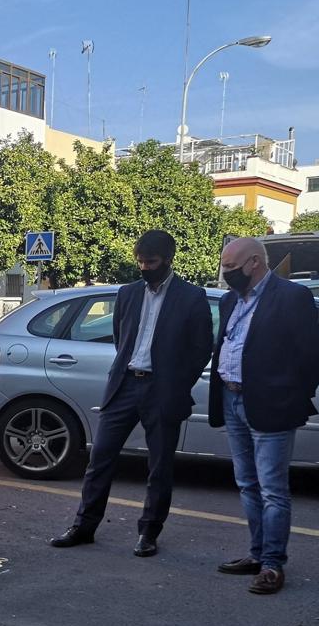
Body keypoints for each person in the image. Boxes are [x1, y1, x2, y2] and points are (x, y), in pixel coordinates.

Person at [51, 230, 212, 556]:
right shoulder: (127, 294)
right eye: (139, 262)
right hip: (124, 385)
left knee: (159, 466)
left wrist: (178, 384)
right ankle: (84, 527)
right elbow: (120, 338)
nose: (143, 268)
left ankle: (149, 533)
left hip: (163, 391)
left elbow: (201, 348)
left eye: (150, 262)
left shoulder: (191, 297)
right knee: (100, 460)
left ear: (168, 260)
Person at [209, 237, 319, 595]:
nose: (226, 274)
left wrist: (291, 396)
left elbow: (312, 356)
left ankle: (273, 565)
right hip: (232, 400)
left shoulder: (292, 297)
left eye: (231, 267)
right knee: (247, 484)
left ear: (255, 262)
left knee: (273, 490)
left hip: (271, 405)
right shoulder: (230, 300)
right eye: (224, 267)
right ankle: (256, 554)